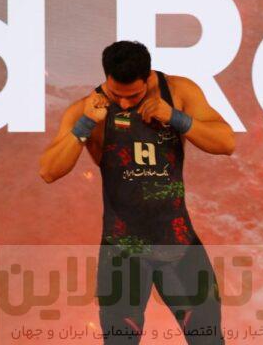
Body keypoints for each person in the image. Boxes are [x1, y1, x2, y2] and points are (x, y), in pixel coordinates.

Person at [38, 40, 235, 344]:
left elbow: (226, 143)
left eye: (134, 95)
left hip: (178, 244)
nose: (125, 103)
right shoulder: (87, 109)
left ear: (149, 78)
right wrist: (86, 123)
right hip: (122, 250)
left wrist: (175, 117)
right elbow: (49, 170)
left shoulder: (178, 92)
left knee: (209, 340)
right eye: (116, 94)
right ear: (107, 78)